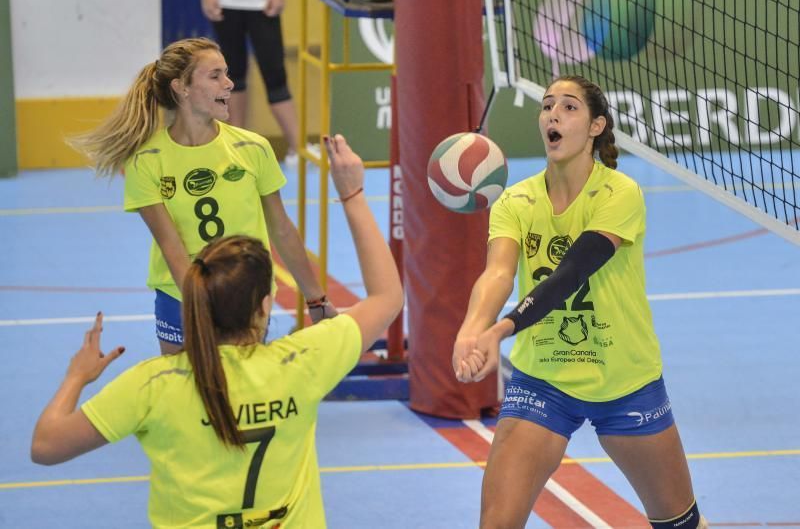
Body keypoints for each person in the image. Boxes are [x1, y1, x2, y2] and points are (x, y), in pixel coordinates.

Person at [31, 135, 403, 528]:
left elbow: (45, 445)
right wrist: (353, 194)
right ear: (263, 307)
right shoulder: (303, 362)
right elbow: (388, 296)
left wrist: (76, 377)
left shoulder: (154, 385)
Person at [452, 75, 707, 529]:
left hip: (624, 381)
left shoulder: (619, 194)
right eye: (547, 105)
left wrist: (501, 328)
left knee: (679, 524)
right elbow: (497, 272)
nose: (552, 113)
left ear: (596, 127)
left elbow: (571, 272)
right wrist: (473, 329)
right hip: (543, 381)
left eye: (569, 107)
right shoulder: (516, 199)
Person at [70, 37, 336, 355]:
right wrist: (203, 308)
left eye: (226, 73)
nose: (229, 83)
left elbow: (281, 229)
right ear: (181, 87)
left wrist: (316, 300)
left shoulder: (252, 148)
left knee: (239, 397)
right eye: (215, 76)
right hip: (180, 297)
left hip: (245, 292)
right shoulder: (147, 159)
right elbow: (172, 246)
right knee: (187, 395)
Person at [199, 0, 302, 167]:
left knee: (275, 75)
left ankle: (299, 148)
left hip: (262, 0)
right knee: (232, 76)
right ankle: (236, 148)